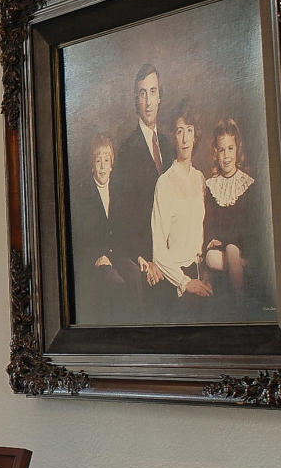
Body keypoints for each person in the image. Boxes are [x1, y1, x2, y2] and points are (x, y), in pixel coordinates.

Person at [73, 133, 147, 318]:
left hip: (118, 253)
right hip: (96, 259)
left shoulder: (118, 192)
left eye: (106, 160)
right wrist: (96, 257)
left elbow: (126, 232)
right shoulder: (83, 195)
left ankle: (140, 327)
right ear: (92, 165)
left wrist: (137, 256)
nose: (103, 166)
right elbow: (80, 239)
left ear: (112, 164)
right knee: (116, 284)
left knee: (135, 275)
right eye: (98, 161)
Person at [148, 109, 216, 309]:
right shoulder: (165, 183)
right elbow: (158, 251)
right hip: (176, 280)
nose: (185, 138)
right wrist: (185, 283)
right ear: (173, 137)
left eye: (189, 130)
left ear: (196, 136)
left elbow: (204, 232)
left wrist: (207, 275)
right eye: (179, 131)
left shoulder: (200, 179)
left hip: (202, 272)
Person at [201, 116, 260, 307]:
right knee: (212, 256)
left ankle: (239, 300)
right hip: (218, 253)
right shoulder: (211, 186)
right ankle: (239, 271)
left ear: (237, 149)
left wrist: (227, 240)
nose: (226, 156)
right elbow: (210, 225)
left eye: (230, 149)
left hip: (242, 249)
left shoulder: (247, 184)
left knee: (233, 249)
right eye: (221, 150)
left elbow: (248, 229)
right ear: (215, 152)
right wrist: (220, 240)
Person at [118, 63, 172, 187]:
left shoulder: (168, 146)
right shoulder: (126, 151)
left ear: (159, 97)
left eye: (153, 92)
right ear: (137, 100)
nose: (148, 102)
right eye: (143, 94)